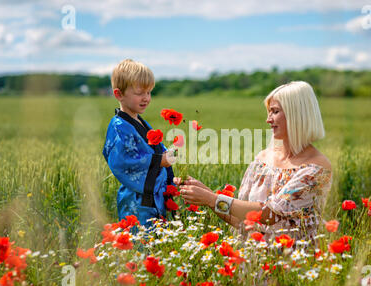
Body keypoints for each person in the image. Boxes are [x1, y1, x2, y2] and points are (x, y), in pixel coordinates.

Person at [176, 81, 332, 246]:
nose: (268, 119)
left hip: (289, 265)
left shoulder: (316, 168)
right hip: (251, 264)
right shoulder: (262, 159)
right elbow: (240, 219)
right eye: (269, 112)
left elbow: (269, 215)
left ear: (297, 115)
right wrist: (204, 193)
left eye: (275, 112)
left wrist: (211, 198)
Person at [102, 59, 175, 227]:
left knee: (156, 243)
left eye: (149, 92)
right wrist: (159, 161)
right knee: (139, 245)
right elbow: (124, 162)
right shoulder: (119, 127)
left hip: (152, 197)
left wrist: (170, 176)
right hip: (137, 202)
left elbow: (154, 150)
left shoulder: (140, 122)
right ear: (119, 94)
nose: (146, 98)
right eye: (139, 93)